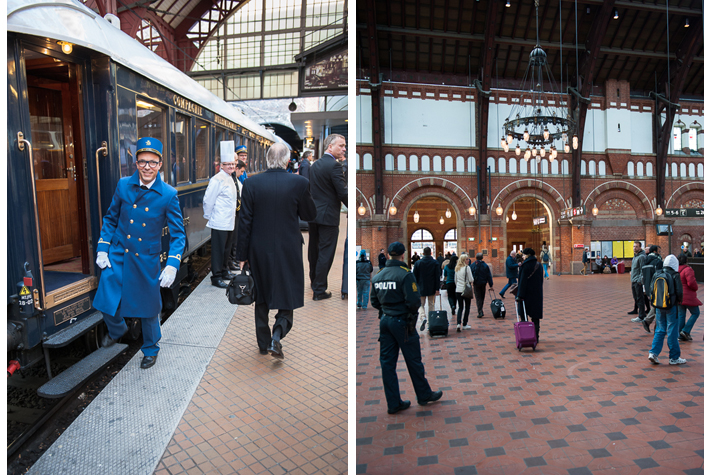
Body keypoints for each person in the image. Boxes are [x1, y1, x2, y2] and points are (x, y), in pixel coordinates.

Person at [93, 137, 185, 369]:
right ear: (136, 163)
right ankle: (118, 329)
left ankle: (151, 349)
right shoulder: (123, 185)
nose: (147, 167)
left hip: (146, 258)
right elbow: (111, 218)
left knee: (148, 309)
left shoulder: (168, 194)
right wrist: (103, 248)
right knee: (105, 298)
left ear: (160, 165)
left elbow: (178, 235)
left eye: (152, 162)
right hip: (119, 254)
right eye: (143, 161)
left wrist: (173, 264)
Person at [236, 143, 317, 359]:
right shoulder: (299, 183)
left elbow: (244, 222)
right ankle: (277, 335)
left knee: (260, 294)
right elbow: (310, 214)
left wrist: (241, 256)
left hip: (258, 248)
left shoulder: (252, 183)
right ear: (287, 160)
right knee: (287, 292)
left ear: (266, 159)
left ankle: (263, 344)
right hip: (288, 248)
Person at [371, 241, 443, 414]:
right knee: (413, 361)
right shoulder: (404, 274)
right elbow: (413, 301)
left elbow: (374, 301)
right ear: (403, 255)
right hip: (402, 322)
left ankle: (393, 403)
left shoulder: (378, 276)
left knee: (387, 364)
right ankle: (423, 395)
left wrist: (386, 310)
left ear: (388, 255)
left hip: (385, 321)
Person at [307, 134, 348, 300]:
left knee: (313, 251)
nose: (344, 148)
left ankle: (314, 281)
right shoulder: (334, 166)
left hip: (314, 214)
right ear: (330, 147)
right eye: (341, 145)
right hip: (328, 216)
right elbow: (342, 191)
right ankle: (319, 290)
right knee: (326, 252)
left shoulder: (314, 165)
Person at [203, 143, 238, 289]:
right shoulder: (217, 179)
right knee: (218, 251)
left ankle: (224, 271)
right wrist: (210, 216)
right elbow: (208, 200)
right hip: (219, 221)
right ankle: (216, 276)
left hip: (229, 221)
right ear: (221, 165)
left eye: (232, 164)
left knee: (226, 248)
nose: (231, 166)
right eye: (227, 164)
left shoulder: (230, 177)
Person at [647, 255, 685, 365]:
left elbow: (651, 289)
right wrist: (679, 301)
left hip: (659, 306)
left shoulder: (657, 273)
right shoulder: (675, 275)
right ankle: (674, 357)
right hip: (671, 306)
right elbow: (679, 292)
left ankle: (653, 353)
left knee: (660, 329)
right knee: (672, 330)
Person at [516, 248, 544, 341]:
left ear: (527, 255)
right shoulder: (539, 265)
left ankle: (526, 336)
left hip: (526, 295)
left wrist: (519, 295)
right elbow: (541, 280)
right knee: (535, 317)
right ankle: (536, 336)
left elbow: (522, 282)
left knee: (524, 315)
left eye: (523, 254)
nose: (522, 256)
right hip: (536, 294)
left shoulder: (525, 266)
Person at [677, 253, 702, 341]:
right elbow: (691, 283)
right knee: (696, 313)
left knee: (681, 315)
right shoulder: (688, 269)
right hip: (688, 295)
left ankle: (680, 335)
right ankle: (685, 330)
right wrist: (695, 288)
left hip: (679, 295)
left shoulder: (676, 269)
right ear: (686, 260)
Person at [412, 247, 440, 323]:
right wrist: (437, 288)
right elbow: (437, 277)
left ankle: (422, 316)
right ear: (431, 253)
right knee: (431, 304)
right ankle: (430, 321)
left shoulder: (418, 263)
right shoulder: (435, 263)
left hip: (421, 287)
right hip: (432, 287)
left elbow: (414, 276)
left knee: (420, 304)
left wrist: (415, 288)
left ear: (423, 254)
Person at [639, 245, 663, 329]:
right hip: (657, 286)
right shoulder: (658, 261)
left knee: (656, 305)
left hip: (648, 286)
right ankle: (657, 327)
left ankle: (648, 321)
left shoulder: (645, 261)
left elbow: (642, 275)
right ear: (655, 251)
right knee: (660, 305)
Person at [470, 253, 494, 318]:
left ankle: (480, 311)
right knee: (482, 297)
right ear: (482, 258)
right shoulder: (485, 265)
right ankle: (480, 309)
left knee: (478, 297)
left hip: (476, 283)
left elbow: (470, 274)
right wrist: (491, 285)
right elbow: (489, 275)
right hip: (483, 283)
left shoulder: (472, 265)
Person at [454, 253, 474, 332]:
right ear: (463, 260)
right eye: (467, 259)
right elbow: (471, 279)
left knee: (460, 307)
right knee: (467, 307)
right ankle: (465, 324)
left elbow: (455, 280)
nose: (468, 260)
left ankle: (458, 323)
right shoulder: (467, 268)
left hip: (458, 290)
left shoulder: (457, 268)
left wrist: (458, 285)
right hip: (466, 290)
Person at [630, 241, 647, 323]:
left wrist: (640, 280)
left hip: (637, 281)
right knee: (636, 298)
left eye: (636, 246)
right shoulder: (635, 256)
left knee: (640, 299)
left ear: (640, 247)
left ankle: (641, 316)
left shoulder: (641, 257)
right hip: (633, 280)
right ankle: (642, 314)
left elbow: (642, 269)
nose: (634, 248)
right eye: (634, 246)